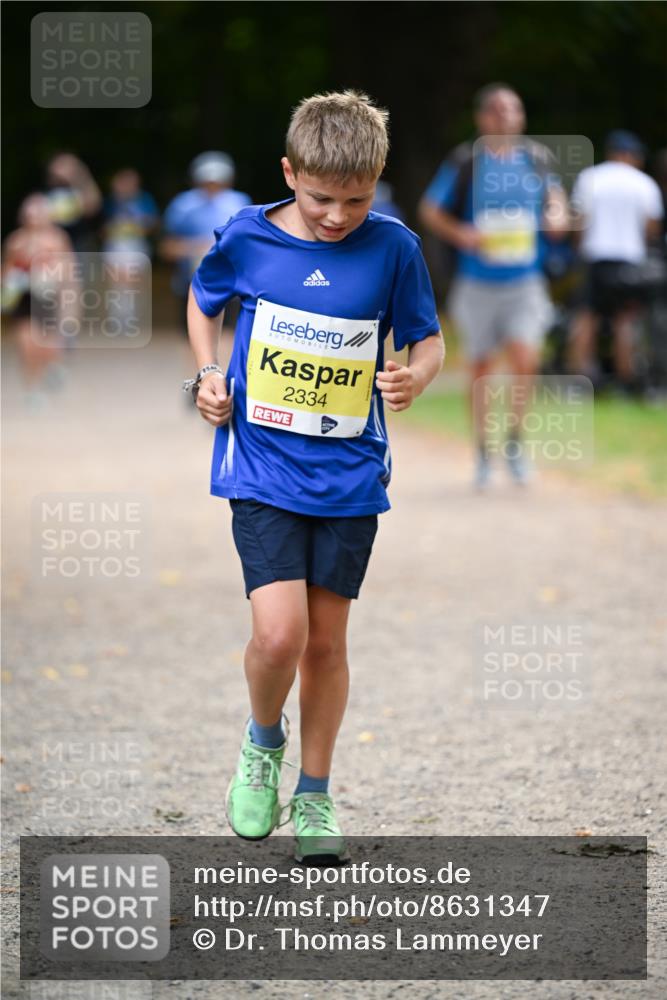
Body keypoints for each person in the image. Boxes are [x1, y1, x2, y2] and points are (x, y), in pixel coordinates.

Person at [185, 91, 444, 863]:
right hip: (260, 464)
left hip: (349, 473)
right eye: (320, 198)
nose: (337, 216)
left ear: (379, 179)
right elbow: (203, 306)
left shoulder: (393, 247)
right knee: (278, 635)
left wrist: (415, 378)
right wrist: (206, 373)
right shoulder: (246, 235)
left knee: (325, 646)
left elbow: (426, 339)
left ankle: (315, 795)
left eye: (356, 199)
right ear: (289, 172)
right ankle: (264, 744)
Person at [418, 83, 568, 488]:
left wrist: (556, 217)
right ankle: (484, 452)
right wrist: (461, 233)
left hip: (525, 281)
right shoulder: (467, 161)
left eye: (514, 110)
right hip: (477, 282)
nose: (507, 117)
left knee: (525, 359)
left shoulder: (537, 159)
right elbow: (430, 209)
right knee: (482, 367)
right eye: (499, 110)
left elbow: (556, 202)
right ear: (482, 118)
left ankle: (515, 444)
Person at [569, 130, 664, 392]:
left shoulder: (590, 178)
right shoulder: (644, 183)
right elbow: (652, 228)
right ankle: (626, 381)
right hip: (629, 259)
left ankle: (581, 379)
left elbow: (579, 222)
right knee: (625, 320)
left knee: (586, 317)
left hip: (594, 256)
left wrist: (578, 250)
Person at [161, 152, 251, 332]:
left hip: (230, 280)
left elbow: (249, 245)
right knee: (192, 333)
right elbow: (167, 247)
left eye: (218, 182)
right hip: (191, 281)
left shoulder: (239, 203)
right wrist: (195, 248)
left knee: (226, 333)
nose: (212, 188)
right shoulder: (183, 205)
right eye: (207, 182)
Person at [1, 193, 75, 408]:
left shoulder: (57, 238)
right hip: (23, 297)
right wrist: (10, 282)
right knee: (27, 345)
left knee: (47, 345)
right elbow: (7, 268)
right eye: (30, 213)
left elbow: (67, 267)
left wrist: (60, 286)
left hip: (47, 295)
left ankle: (53, 366)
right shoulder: (16, 240)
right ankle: (31, 390)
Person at [44, 153, 102, 253]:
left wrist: (77, 177)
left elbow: (93, 207)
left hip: (80, 242)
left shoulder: (81, 187)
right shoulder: (47, 190)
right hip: (53, 243)